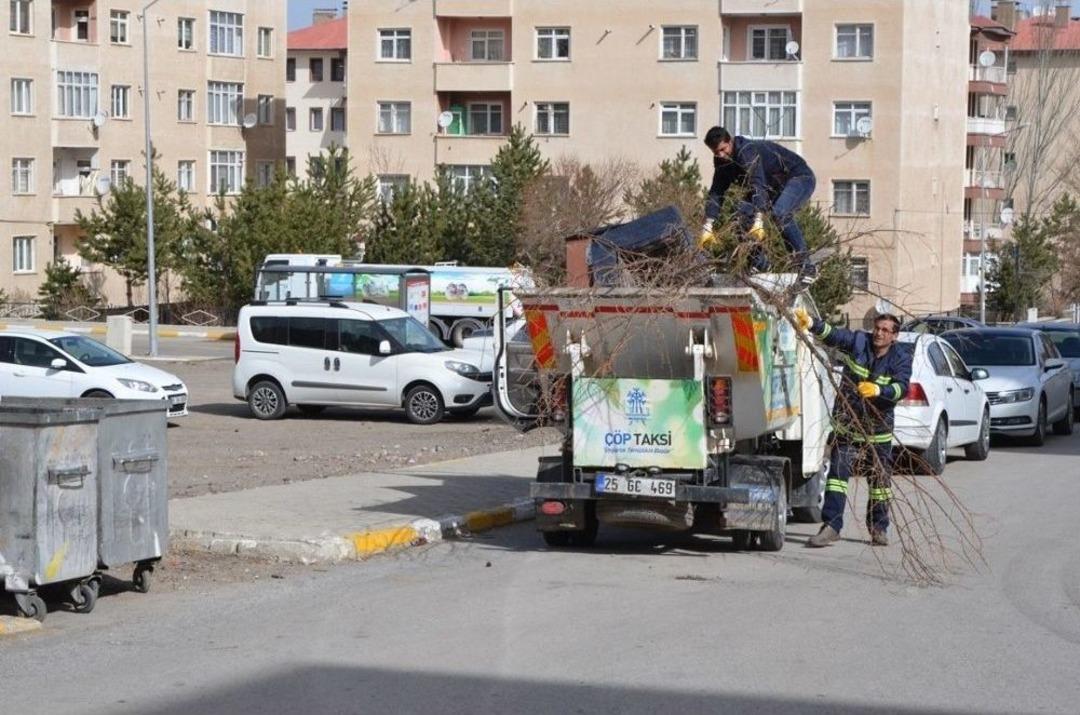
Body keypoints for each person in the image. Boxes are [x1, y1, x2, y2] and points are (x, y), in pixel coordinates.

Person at [792, 308, 913, 547]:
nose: (879, 334)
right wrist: (812, 324)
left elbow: (902, 388)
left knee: (880, 482)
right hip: (847, 423)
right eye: (877, 328)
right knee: (837, 476)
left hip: (878, 427)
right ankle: (831, 526)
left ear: (894, 336)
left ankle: (878, 528)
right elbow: (834, 335)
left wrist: (880, 391)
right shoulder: (859, 342)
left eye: (885, 331)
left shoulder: (901, 358)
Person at [701, 126, 817, 281]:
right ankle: (760, 263)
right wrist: (708, 223)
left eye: (723, 149)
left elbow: (757, 182)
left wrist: (758, 219)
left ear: (730, 141)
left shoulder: (747, 150)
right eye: (716, 152)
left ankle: (806, 266)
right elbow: (717, 190)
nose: (721, 155)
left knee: (780, 213)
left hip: (798, 177)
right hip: (772, 188)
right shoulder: (722, 162)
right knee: (740, 215)